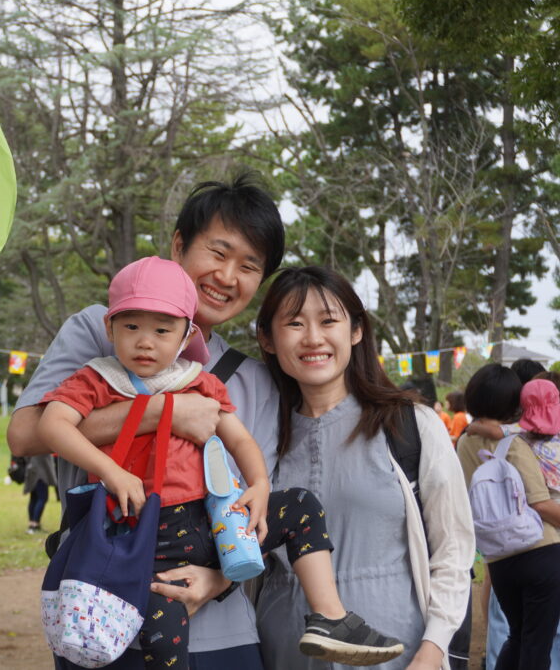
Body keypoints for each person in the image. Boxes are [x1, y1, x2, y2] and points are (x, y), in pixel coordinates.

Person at [39, 256, 403, 668]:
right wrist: (111, 471)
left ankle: (330, 619)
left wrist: (259, 484)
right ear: (110, 329)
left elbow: (240, 440)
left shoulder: (199, 382)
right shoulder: (96, 380)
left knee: (300, 507)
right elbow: (52, 425)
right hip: (146, 540)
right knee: (164, 635)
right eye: (131, 327)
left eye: (162, 330)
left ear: (186, 336)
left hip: (212, 525)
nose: (145, 342)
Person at [9, 173, 285, 668]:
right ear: (179, 246)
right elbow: (26, 434)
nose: (227, 276)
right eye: (218, 253)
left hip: (224, 633)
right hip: (102, 617)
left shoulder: (252, 380)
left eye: (249, 266)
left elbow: (258, 504)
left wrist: (219, 579)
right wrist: (163, 412)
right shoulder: (99, 332)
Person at [224, 266, 473, 670]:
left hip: (399, 654)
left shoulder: (410, 425)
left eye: (328, 321)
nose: (313, 338)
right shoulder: (256, 440)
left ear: (356, 331)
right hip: (283, 653)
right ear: (267, 338)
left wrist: (432, 651)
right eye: (294, 323)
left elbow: (454, 550)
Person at [456, 366, 560, 669]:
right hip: (540, 551)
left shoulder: (465, 441)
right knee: (537, 646)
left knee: (517, 637)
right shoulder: (517, 443)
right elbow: (540, 503)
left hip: (499, 557)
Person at [23, 453, 57, 533]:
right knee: (42, 498)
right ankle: (35, 524)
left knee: (34, 498)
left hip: (32, 470)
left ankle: (32, 524)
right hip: (40, 473)